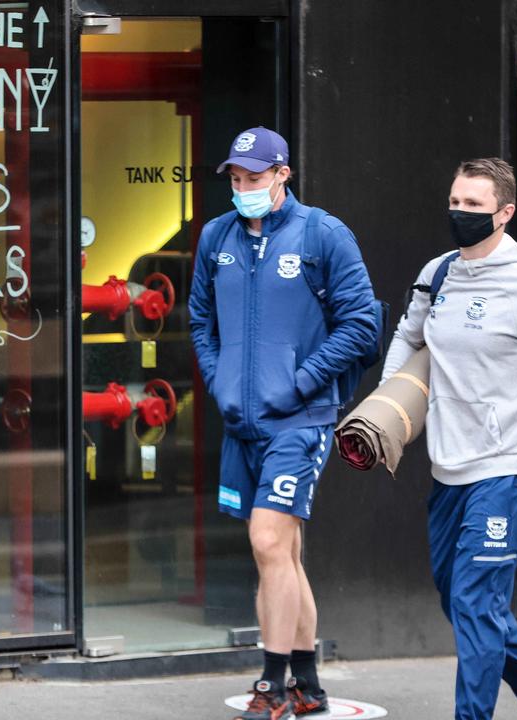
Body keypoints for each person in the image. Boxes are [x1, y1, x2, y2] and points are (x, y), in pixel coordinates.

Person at [382, 157, 517, 720]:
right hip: (448, 466)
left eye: (474, 205)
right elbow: (408, 339)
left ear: (505, 214)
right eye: (455, 201)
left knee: (476, 602)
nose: (460, 213)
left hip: (509, 468)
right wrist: (384, 410)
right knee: (459, 600)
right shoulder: (439, 274)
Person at [190, 126, 378, 719]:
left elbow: (362, 325)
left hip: (301, 419)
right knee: (284, 555)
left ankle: (271, 684)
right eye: (235, 179)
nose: (242, 188)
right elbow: (199, 318)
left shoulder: (323, 234)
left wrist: (301, 381)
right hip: (240, 420)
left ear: (282, 175)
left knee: (268, 540)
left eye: (253, 177)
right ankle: (308, 684)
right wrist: (218, 377)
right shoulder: (215, 236)